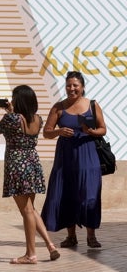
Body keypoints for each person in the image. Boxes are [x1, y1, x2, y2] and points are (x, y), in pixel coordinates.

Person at [0, 85, 60, 264]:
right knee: (31, 209)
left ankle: (30, 254)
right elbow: (22, 123)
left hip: (17, 166)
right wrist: (12, 111)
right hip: (32, 164)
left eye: (14, 98)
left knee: (26, 211)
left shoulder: (11, 119)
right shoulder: (38, 119)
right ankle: (50, 245)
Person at [41, 71, 105, 248]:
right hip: (66, 157)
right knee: (67, 194)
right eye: (69, 85)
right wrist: (58, 132)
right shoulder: (58, 107)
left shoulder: (93, 105)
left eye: (75, 85)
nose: (72, 88)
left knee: (90, 196)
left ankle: (91, 236)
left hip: (88, 155)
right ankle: (71, 236)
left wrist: (91, 132)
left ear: (82, 87)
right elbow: (46, 132)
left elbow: (103, 129)